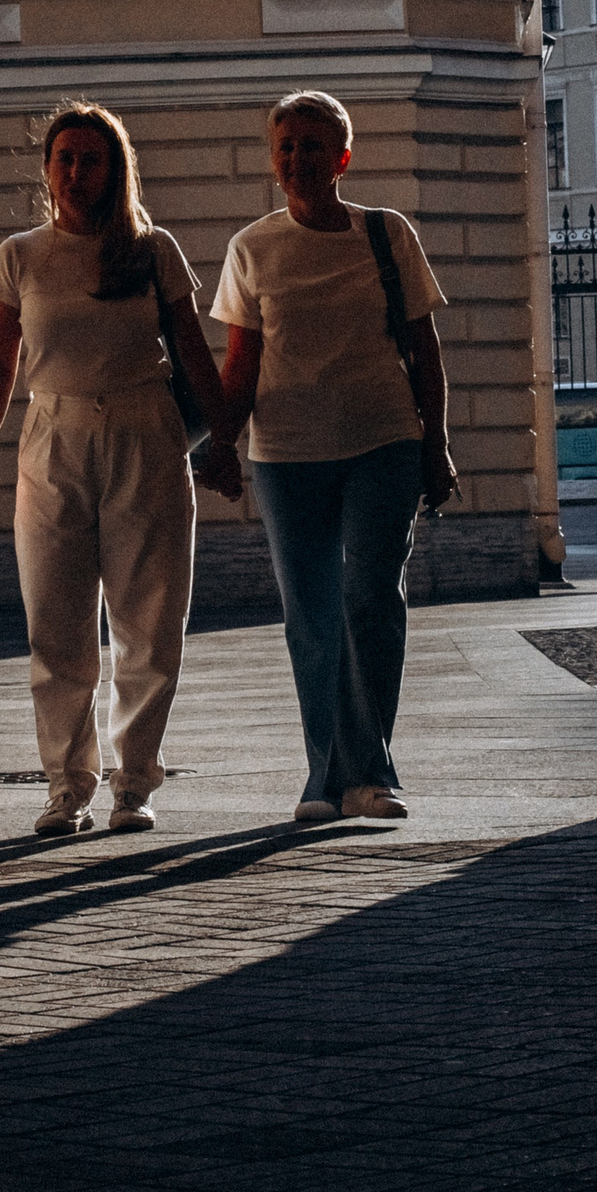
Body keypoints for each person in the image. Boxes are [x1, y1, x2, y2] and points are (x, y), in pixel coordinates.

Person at [199, 90, 457, 825]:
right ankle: (326, 780)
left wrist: (437, 446)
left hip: (383, 442)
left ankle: (368, 776)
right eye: (285, 147)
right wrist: (221, 444)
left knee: (370, 599)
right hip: (285, 455)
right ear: (272, 158)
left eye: (313, 146)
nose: (297, 159)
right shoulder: (252, 248)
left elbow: (424, 350)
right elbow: (240, 366)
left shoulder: (386, 234)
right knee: (310, 615)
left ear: (343, 158)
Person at [0, 103, 225, 838]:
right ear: (47, 170)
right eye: (64, 159)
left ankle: (135, 783)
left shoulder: (152, 249)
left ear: (116, 169)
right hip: (53, 435)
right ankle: (66, 785)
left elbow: (193, 352)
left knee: (149, 619)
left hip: (146, 432)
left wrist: (222, 442)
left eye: (91, 160)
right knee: (56, 621)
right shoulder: (20, 255)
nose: (76, 173)